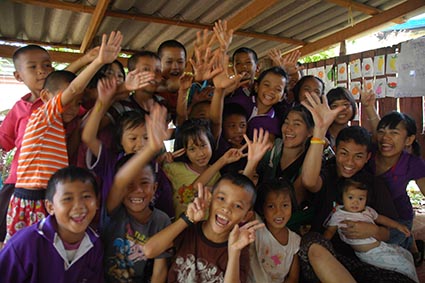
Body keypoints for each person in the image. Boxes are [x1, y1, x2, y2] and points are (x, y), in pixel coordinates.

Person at [6, 31, 123, 241]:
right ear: (46, 98)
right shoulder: (42, 115)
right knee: (22, 252)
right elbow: (73, 87)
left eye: (77, 102)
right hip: (31, 198)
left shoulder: (60, 126)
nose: (73, 106)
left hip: (49, 197)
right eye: (67, 100)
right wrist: (96, 61)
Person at [297, 92, 414, 283]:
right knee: (311, 243)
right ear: (337, 151)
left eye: (358, 156)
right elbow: (309, 181)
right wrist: (319, 131)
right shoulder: (328, 173)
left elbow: (393, 231)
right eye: (343, 153)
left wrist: (373, 231)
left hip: (368, 261)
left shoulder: (374, 184)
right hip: (330, 257)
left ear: (368, 157)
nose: (349, 162)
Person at [82, 77, 174, 226]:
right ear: (120, 140)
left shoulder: (156, 168)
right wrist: (102, 102)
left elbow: (166, 204)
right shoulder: (110, 160)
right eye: (133, 138)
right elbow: (88, 137)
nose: (141, 144)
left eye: (146, 137)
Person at [142, 174, 265, 282]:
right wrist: (186, 219)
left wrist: (233, 252)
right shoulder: (188, 230)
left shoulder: (238, 249)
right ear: (210, 199)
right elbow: (149, 250)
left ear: (246, 216)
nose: (226, 209)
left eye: (237, 206)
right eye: (221, 199)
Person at [103, 103, 171, 283]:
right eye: (130, 184)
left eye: (144, 183)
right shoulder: (112, 212)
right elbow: (120, 182)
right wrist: (150, 148)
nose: (138, 190)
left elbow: (159, 271)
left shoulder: (161, 220)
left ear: (155, 188)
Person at [0, 166, 104, 282]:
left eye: (86, 197)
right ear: (50, 207)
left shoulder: (95, 246)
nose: (79, 206)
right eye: (68, 198)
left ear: (97, 203)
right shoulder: (25, 244)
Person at [0, 44, 54, 247]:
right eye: (32, 67)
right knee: (14, 240)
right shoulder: (19, 108)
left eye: (47, 65)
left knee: (46, 240)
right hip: (19, 183)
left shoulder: (60, 101)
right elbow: (3, 142)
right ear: (18, 75)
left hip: (52, 184)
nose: (42, 70)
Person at [324, 176, 418, 282]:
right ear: (343, 197)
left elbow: (381, 219)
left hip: (381, 246)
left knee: (407, 255)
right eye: (350, 197)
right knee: (405, 266)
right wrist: (323, 244)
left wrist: (397, 226)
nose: (355, 202)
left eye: (360, 198)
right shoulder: (339, 215)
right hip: (369, 254)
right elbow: (330, 231)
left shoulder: (368, 210)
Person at [367, 111, 425, 263]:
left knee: (381, 252)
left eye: (394, 133)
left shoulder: (412, 163)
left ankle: (410, 243)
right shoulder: (368, 154)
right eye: (381, 132)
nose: (385, 138)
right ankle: (410, 243)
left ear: (409, 139)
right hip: (369, 214)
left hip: (398, 218)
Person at [162, 118, 245, 217]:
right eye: (192, 149)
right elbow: (194, 188)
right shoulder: (173, 169)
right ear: (184, 151)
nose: (200, 154)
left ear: (211, 143)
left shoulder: (217, 174)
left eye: (203, 145)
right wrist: (223, 160)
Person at [248, 179, 300, 283]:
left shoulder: (295, 241)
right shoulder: (256, 226)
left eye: (285, 205)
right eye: (271, 206)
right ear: (262, 208)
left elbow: (293, 278)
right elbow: (243, 196)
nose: (278, 212)